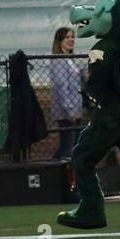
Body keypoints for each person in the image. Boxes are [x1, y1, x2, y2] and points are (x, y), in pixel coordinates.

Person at [49, 26, 83, 160]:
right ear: (59, 41)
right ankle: (54, 170)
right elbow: (61, 87)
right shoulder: (59, 60)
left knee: (74, 145)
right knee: (67, 147)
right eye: (67, 37)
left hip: (76, 108)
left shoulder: (69, 59)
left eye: (72, 37)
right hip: (67, 112)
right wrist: (69, 109)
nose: (71, 40)